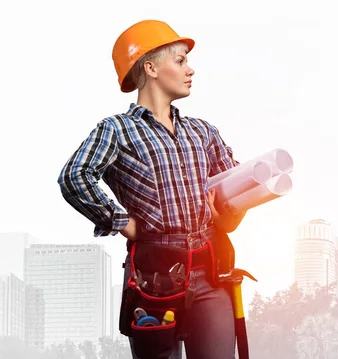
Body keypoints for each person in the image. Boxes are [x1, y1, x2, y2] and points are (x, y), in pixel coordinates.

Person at [58, 19, 247, 359]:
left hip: (211, 275)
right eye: (180, 61)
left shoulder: (203, 132)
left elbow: (233, 194)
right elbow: (75, 176)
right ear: (151, 67)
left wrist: (236, 209)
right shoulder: (116, 130)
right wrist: (122, 223)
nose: (191, 70)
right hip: (151, 280)